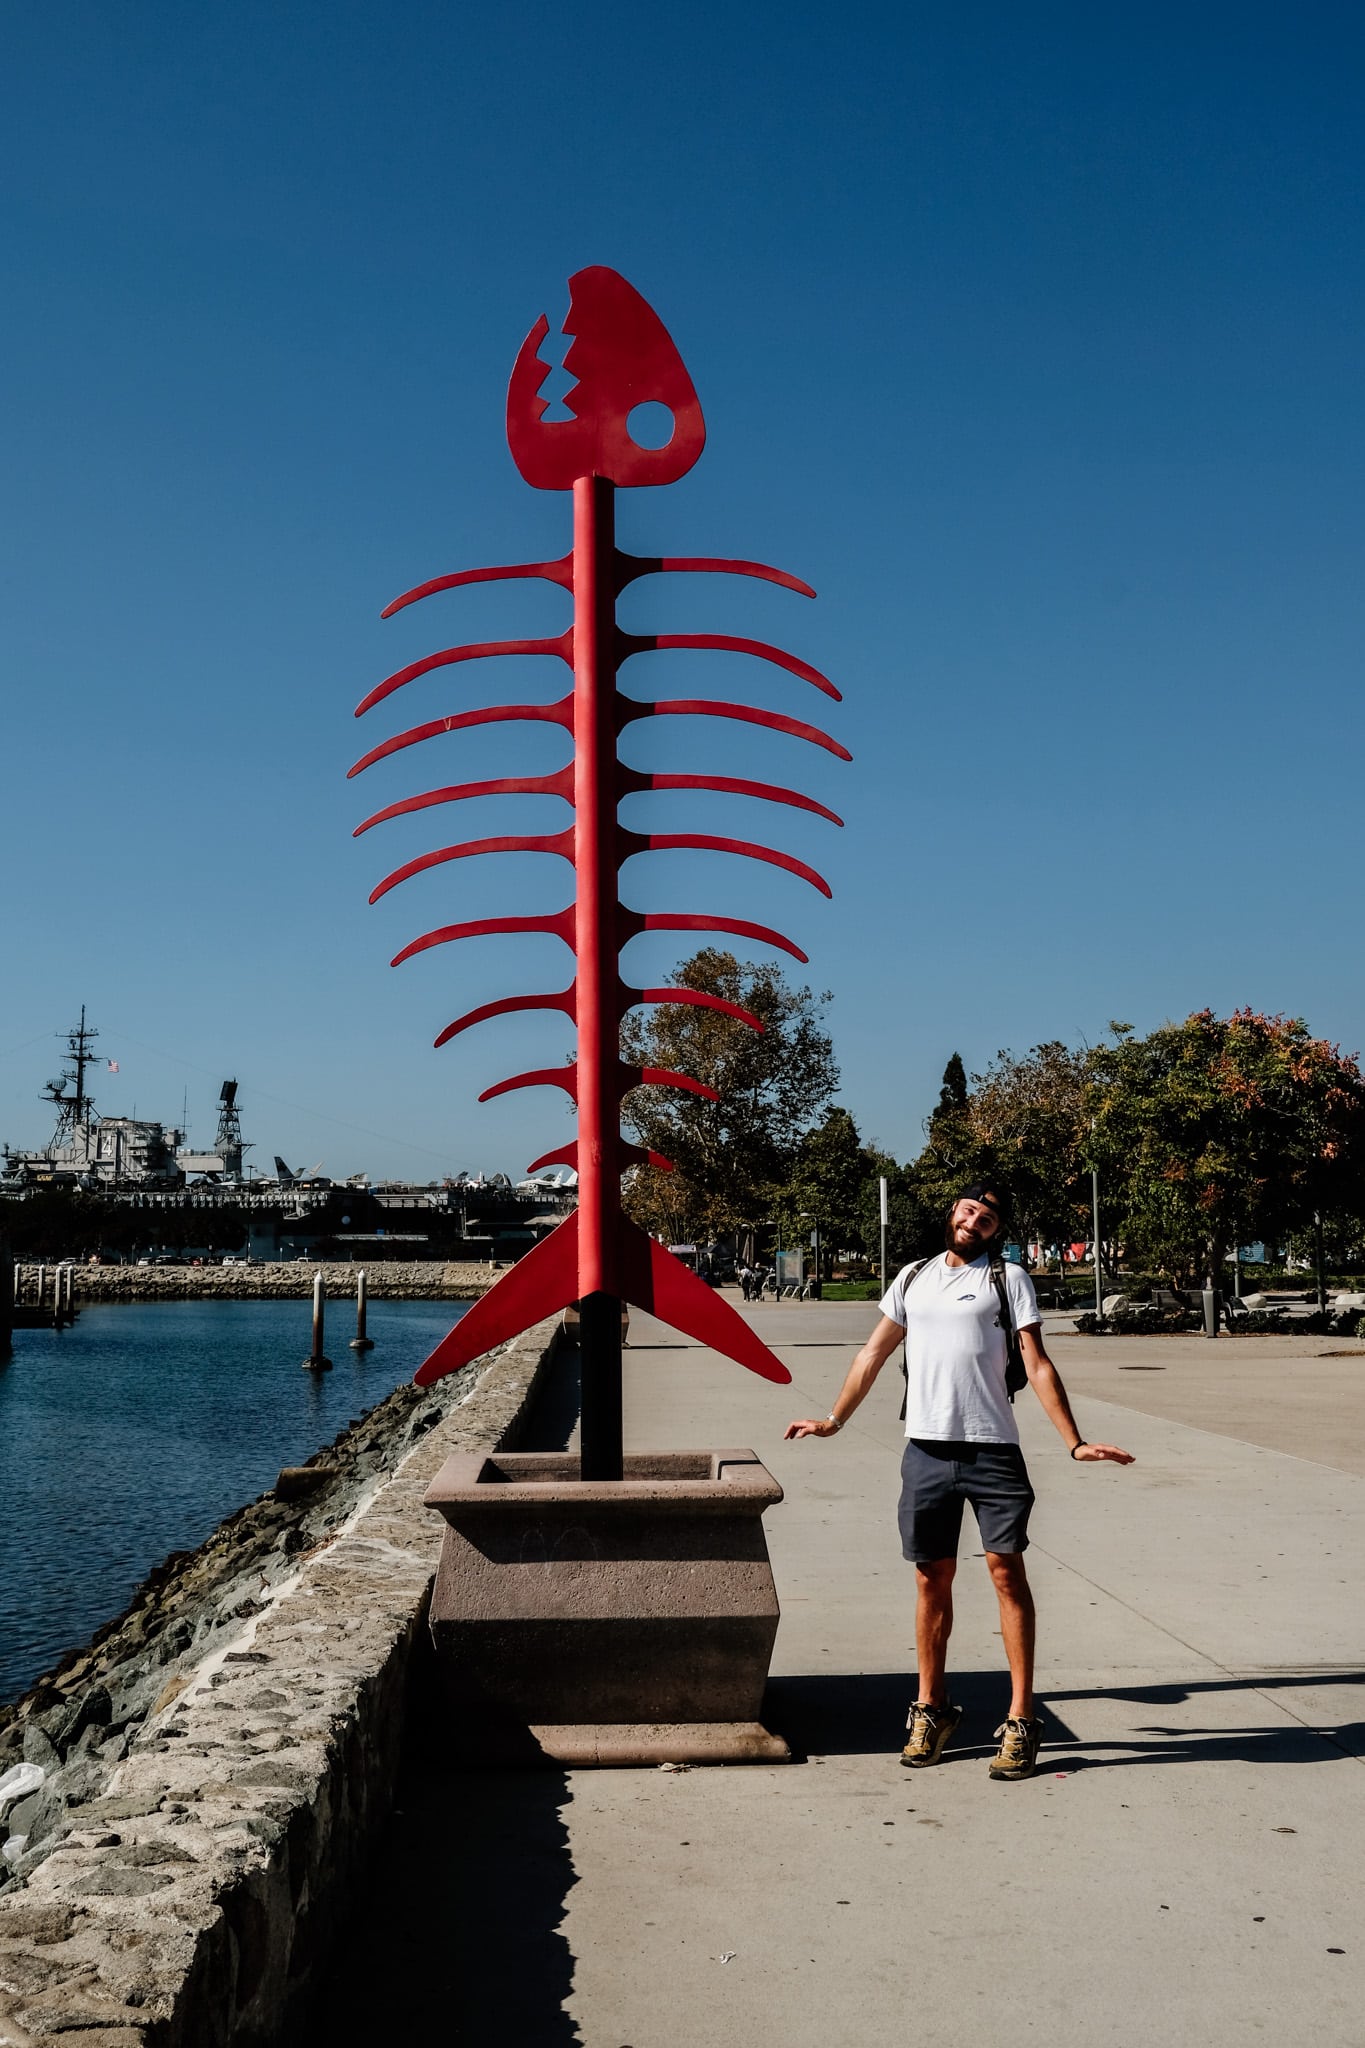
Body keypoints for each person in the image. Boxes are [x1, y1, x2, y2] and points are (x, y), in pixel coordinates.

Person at [784, 1181, 1133, 1782]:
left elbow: (1037, 1362)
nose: (976, 1221)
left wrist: (1072, 1440)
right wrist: (833, 1419)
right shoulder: (913, 1276)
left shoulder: (1009, 1278)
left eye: (990, 1218)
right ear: (953, 1212)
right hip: (925, 1450)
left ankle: (1022, 1721)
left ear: (998, 1231)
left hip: (993, 1451)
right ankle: (931, 1709)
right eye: (971, 1210)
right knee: (930, 1579)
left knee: (1005, 1572)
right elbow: (871, 1354)